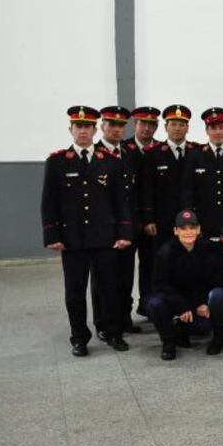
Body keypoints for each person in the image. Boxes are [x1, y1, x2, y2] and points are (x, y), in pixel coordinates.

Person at [42, 106, 133, 356]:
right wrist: (52, 235)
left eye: (87, 126)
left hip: (105, 238)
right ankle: (79, 337)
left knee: (109, 288)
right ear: (70, 129)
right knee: (75, 292)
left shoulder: (111, 162)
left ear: (95, 130)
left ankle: (113, 332)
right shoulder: (57, 161)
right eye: (78, 126)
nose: (83, 131)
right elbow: (49, 202)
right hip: (72, 241)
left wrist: (124, 233)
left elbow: (120, 202)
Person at [145, 210, 223, 360]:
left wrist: (202, 302)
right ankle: (168, 343)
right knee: (155, 304)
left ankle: (180, 329)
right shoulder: (165, 253)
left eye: (192, 228)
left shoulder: (206, 248)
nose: (188, 232)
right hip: (171, 299)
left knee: (203, 328)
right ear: (176, 231)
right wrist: (181, 305)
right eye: (183, 228)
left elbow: (211, 279)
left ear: (199, 229)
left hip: (194, 300)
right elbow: (159, 286)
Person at [93, 105, 142, 336]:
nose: (116, 129)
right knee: (103, 279)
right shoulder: (94, 153)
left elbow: (136, 191)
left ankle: (123, 319)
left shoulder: (131, 152)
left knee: (124, 276)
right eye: (111, 124)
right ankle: (103, 324)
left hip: (127, 226)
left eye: (121, 125)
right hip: (103, 229)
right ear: (102, 126)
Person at [180, 107, 223, 238]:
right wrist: (190, 220)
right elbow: (187, 189)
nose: (218, 132)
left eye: (221, 127)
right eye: (213, 128)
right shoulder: (195, 155)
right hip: (204, 222)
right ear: (206, 130)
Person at [123, 106, 160, 319]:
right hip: (128, 221)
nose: (146, 128)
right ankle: (123, 315)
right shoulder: (123, 149)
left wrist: (150, 218)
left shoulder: (160, 150)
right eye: (142, 123)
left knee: (151, 265)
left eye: (151, 124)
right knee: (124, 271)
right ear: (134, 124)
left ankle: (147, 306)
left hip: (153, 221)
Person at [141, 104, 194, 250]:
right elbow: (147, 189)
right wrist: (148, 219)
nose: (177, 128)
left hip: (190, 219)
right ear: (165, 127)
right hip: (162, 219)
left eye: (182, 124)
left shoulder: (196, 151)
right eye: (173, 124)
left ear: (187, 128)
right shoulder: (152, 154)